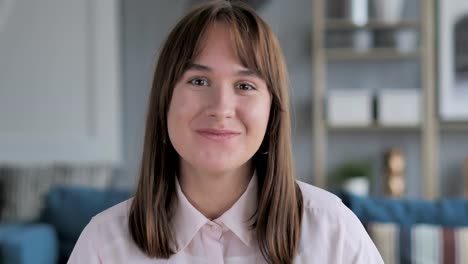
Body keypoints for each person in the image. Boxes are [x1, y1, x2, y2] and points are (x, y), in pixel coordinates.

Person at [68, 1, 384, 263]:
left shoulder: (334, 233)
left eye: (245, 85)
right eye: (199, 81)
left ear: (272, 111)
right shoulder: (102, 246)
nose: (221, 107)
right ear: (164, 101)